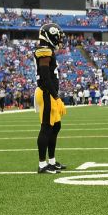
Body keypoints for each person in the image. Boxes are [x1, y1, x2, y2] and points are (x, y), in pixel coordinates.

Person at [35, 23, 67, 173]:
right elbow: (45, 76)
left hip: (50, 92)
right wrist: (55, 96)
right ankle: (42, 164)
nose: (59, 40)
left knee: (56, 126)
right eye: (57, 37)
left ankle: (52, 161)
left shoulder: (49, 50)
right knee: (46, 128)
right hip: (46, 92)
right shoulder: (44, 50)